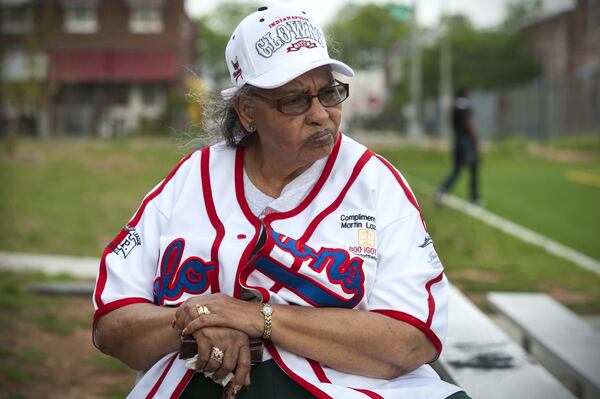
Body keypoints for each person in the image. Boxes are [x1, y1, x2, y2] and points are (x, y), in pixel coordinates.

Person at [92, 6, 469, 399]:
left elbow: (412, 341)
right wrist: (197, 322)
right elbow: (112, 325)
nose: (322, 115)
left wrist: (258, 318)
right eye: (295, 101)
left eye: (330, 92)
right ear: (248, 111)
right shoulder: (192, 179)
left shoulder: (374, 184)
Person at [437, 88, 480, 206]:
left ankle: (443, 190)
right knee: (473, 169)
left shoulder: (453, 107)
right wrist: (475, 137)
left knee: (457, 170)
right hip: (467, 143)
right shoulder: (466, 107)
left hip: (457, 141)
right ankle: (474, 198)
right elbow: (468, 123)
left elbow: (449, 123)